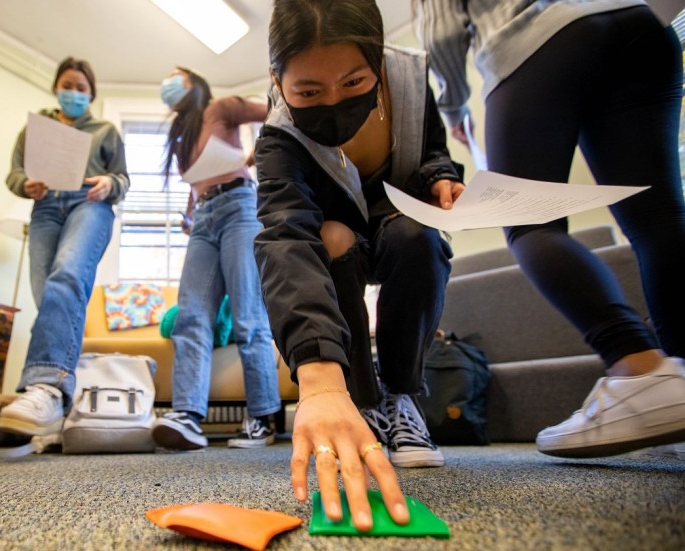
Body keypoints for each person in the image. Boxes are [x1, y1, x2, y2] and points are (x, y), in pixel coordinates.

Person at [418, 0, 685, 457]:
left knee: (529, 225)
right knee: (658, 220)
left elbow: (441, 33)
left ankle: (639, 369)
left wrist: (453, 106)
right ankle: (677, 383)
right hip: (638, 23)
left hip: (534, 42)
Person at [255, 0, 465, 529]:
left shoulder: (413, 80)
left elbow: (435, 151)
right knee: (329, 235)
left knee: (416, 236)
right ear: (277, 80)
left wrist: (442, 177)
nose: (332, 103)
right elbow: (286, 237)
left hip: (401, 225)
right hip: (337, 243)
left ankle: (402, 400)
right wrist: (320, 381)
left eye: (353, 84)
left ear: (376, 61)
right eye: (308, 92)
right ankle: (363, 401)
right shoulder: (279, 137)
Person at [150, 68, 283, 450]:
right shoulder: (183, 136)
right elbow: (197, 181)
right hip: (205, 218)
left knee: (248, 315)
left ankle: (261, 417)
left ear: (194, 84)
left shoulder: (222, 108)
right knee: (191, 316)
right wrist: (190, 214)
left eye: (175, 77)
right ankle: (187, 416)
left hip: (240, 205)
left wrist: (255, 155)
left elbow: (275, 109)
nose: (169, 84)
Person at [0, 57, 130, 437]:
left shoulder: (105, 130)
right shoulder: (34, 129)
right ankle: (59, 402)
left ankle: (46, 387)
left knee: (67, 275)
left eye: (81, 88)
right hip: (45, 210)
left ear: (91, 95)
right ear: (56, 87)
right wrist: (25, 185)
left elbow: (122, 178)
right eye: (67, 85)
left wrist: (109, 184)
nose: (73, 93)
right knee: (49, 296)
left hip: (89, 205)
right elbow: (15, 173)